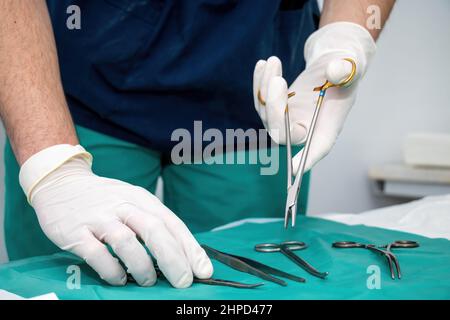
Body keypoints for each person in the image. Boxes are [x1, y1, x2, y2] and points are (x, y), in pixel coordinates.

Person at [0, 0, 394, 288]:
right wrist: (54, 167)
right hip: (80, 94)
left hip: (255, 100)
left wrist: (347, 34)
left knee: (251, 280)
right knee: (68, 280)